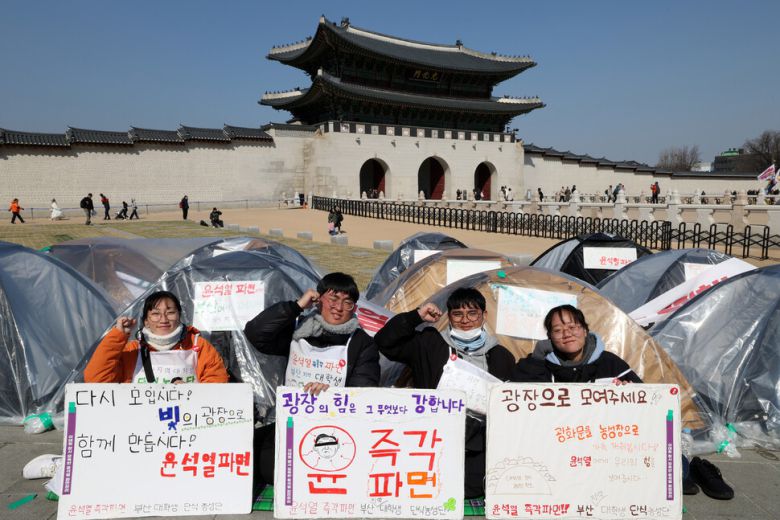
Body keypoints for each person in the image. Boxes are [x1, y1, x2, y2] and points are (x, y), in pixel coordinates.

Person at [512, 304, 733, 500]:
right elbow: (514, 397)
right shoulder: (543, 365)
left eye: (572, 327)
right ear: (549, 337)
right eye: (558, 330)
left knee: (671, 476)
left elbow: (648, 407)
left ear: (585, 330)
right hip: (565, 448)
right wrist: (536, 358)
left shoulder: (609, 362)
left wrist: (631, 394)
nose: (566, 334)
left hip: (608, 448)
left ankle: (698, 468)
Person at [243, 272, 380, 494]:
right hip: (290, 423)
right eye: (333, 299)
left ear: (354, 308)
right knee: (259, 462)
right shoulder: (296, 329)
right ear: (318, 300)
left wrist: (331, 394)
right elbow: (256, 333)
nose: (338, 308)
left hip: (337, 429)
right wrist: (297, 306)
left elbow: (364, 390)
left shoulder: (362, 342)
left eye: (347, 302)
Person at [374, 288, 514, 498]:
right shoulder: (429, 344)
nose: (465, 320)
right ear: (449, 316)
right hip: (431, 442)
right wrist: (416, 316)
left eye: (472, 313)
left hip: (479, 447)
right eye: (457, 314)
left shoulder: (502, 356)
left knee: (471, 493)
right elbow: (385, 342)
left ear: (484, 316)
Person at [84, 290, 229, 384]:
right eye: (155, 314)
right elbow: (96, 379)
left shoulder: (199, 346)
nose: (163, 319)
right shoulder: (133, 350)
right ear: (146, 320)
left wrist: (191, 393)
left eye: (170, 312)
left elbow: (218, 384)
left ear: (179, 316)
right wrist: (117, 336)